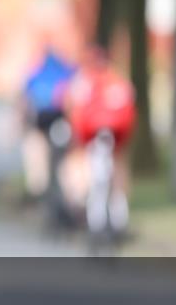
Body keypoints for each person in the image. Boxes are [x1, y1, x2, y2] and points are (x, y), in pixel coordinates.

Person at [63, 46, 136, 237]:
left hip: (93, 133)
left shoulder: (85, 80)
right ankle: (118, 215)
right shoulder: (118, 79)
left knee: (84, 164)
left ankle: (83, 207)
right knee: (116, 166)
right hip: (114, 134)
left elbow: (73, 108)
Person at [19, 47, 77, 227]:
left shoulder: (35, 74)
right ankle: (69, 200)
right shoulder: (68, 73)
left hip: (41, 124)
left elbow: (24, 102)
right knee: (63, 163)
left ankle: (39, 190)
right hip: (60, 124)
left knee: (40, 158)